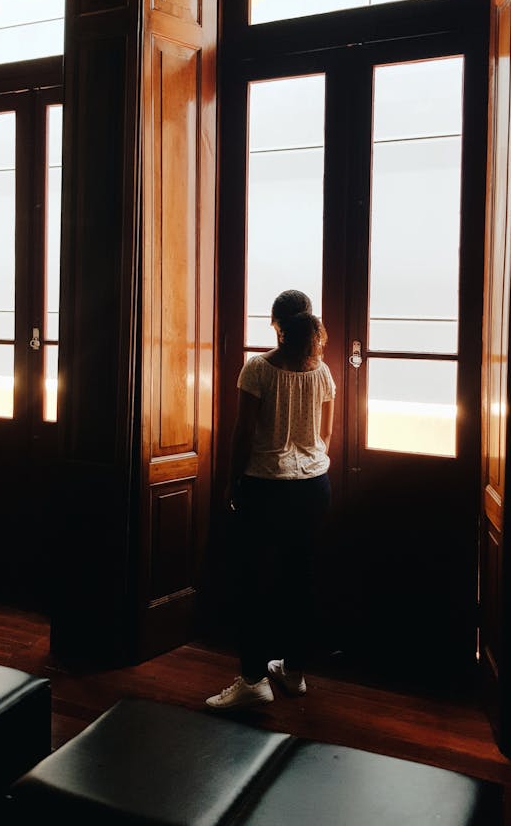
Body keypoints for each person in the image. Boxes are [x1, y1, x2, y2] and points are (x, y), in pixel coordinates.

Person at [206, 289, 335, 709]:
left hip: (266, 485)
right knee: (302, 578)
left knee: (253, 580)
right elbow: (326, 434)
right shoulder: (322, 372)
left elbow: (243, 433)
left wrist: (231, 482)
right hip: (314, 485)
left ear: (277, 325)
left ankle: (252, 679)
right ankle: (293, 671)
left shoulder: (258, 369)